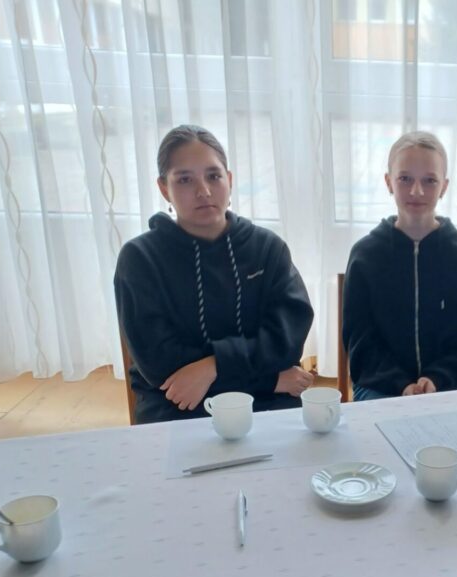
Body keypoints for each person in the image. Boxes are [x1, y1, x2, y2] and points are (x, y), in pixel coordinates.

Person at [115, 124, 314, 424]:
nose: (204, 191)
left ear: (229, 180)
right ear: (164, 188)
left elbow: (286, 341)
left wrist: (213, 366)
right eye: (185, 179)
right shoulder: (140, 259)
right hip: (179, 405)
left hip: (267, 403)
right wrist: (270, 380)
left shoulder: (267, 248)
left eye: (213, 176)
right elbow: (162, 368)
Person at [342, 131, 457, 400]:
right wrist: (401, 384)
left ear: (444, 186)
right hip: (381, 386)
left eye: (429, 180)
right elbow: (361, 346)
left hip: (448, 386)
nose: (416, 191)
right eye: (405, 179)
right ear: (388, 182)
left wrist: (436, 379)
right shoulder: (365, 256)